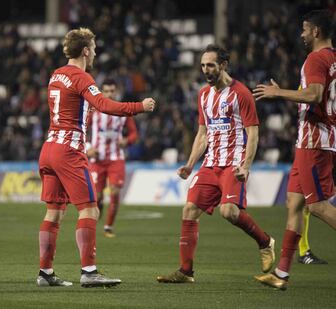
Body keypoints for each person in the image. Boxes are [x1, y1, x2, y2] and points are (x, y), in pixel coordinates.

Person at [37, 27, 155, 287]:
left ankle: (45, 273)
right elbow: (104, 105)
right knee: (90, 208)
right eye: (94, 49)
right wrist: (139, 107)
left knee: (54, 212)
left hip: (48, 148)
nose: (95, 53)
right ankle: (89, 272)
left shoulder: (56, 75)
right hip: (69, 150)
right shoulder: (82, 77)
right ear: (86, 51)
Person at [156, 44, 275, 284]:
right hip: (210, 164)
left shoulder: (241, 93)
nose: (205, 70)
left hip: (233, 164)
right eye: (202, 65)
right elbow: (203, 134)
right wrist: (190, 164)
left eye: (210, 65)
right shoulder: (203, 95)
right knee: (189, 210)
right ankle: (185, 271)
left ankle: (265, 242)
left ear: (223, 65)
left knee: (229, 212)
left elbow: (253, 133)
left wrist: (246, 166)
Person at [253, 10, 336, 290]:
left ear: (316, 32)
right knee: (294, 203)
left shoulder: (316, 58)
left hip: (314, 140)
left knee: (318, 206)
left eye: (304, 29)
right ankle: (282, 274)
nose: (301, 34)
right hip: (309, 140)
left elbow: (313, 94)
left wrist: (279, 93)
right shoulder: (333, 59)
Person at [87, 78, 138, 238]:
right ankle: (95, 220)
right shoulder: (93, 111)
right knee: (98, 196)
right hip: (98, 159)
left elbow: (134, 133)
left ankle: (108, 226)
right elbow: (80, 130)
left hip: (116, 158)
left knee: (115, 191)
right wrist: (88, 148)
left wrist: (127, 140)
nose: (109, 94)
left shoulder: (123, 112)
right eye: (106, 91)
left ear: (116, 92)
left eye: (112, 91)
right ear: (102, 92)